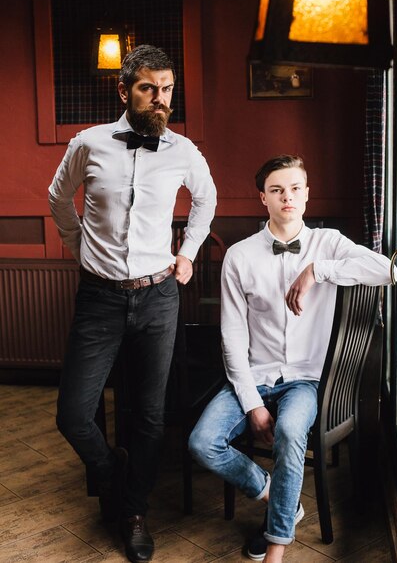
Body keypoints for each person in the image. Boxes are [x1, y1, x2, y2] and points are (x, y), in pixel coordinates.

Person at [48, 44, 216, 563]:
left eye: (167, 89)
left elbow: (207, 200)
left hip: (158, 296)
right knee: (73, 414)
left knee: (147, 414)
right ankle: (114, 473)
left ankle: (134, 511)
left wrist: (187, 253)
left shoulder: (184, 151)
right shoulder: (89, 143)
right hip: (99, 297)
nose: (160, 98)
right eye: (149, 88)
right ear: (125, 91)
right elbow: (58, 198)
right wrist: (81, 250)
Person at [188, 154, 393, 563]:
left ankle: (276, 550)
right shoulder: (241, 256)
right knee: (202, 442)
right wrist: (251, 403)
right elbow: (232, 336)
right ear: (262, 197)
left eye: (296, 188)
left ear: (307, 194)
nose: (288, 197)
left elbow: (387, 270)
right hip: (255, 375)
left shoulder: (328, 243)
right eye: (277, 190)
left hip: (306, 379)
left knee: (290, 431)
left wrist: (318, 270)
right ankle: (278, 496)